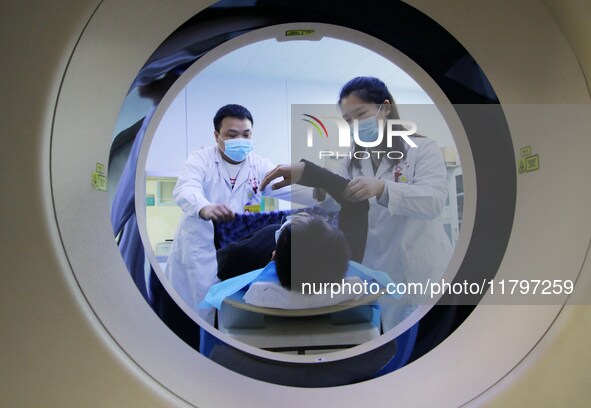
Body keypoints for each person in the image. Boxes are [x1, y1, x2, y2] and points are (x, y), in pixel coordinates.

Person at [323, 76, 453, 331]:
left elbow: (434, 201)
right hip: (377, 269)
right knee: (389, 341)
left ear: (385, 107)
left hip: (420, 270)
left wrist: (383, 188)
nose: (355, 125)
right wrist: (314, 184)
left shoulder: (421, 147)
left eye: (361, 114)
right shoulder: (354, 159)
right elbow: (333, 200)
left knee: (427, 343)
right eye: (348, 120)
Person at [165, 104, 290, 324]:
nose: (240, 140)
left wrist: (319, 188)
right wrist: (205, 207)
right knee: (196, 312)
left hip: (237, 249)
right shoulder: (201, 160)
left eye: (246, 134)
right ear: (217, 136)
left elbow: (286, 187)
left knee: (233, 308)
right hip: (200, 247)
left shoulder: (260, 165)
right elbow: (186, 188)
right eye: (231, 135)